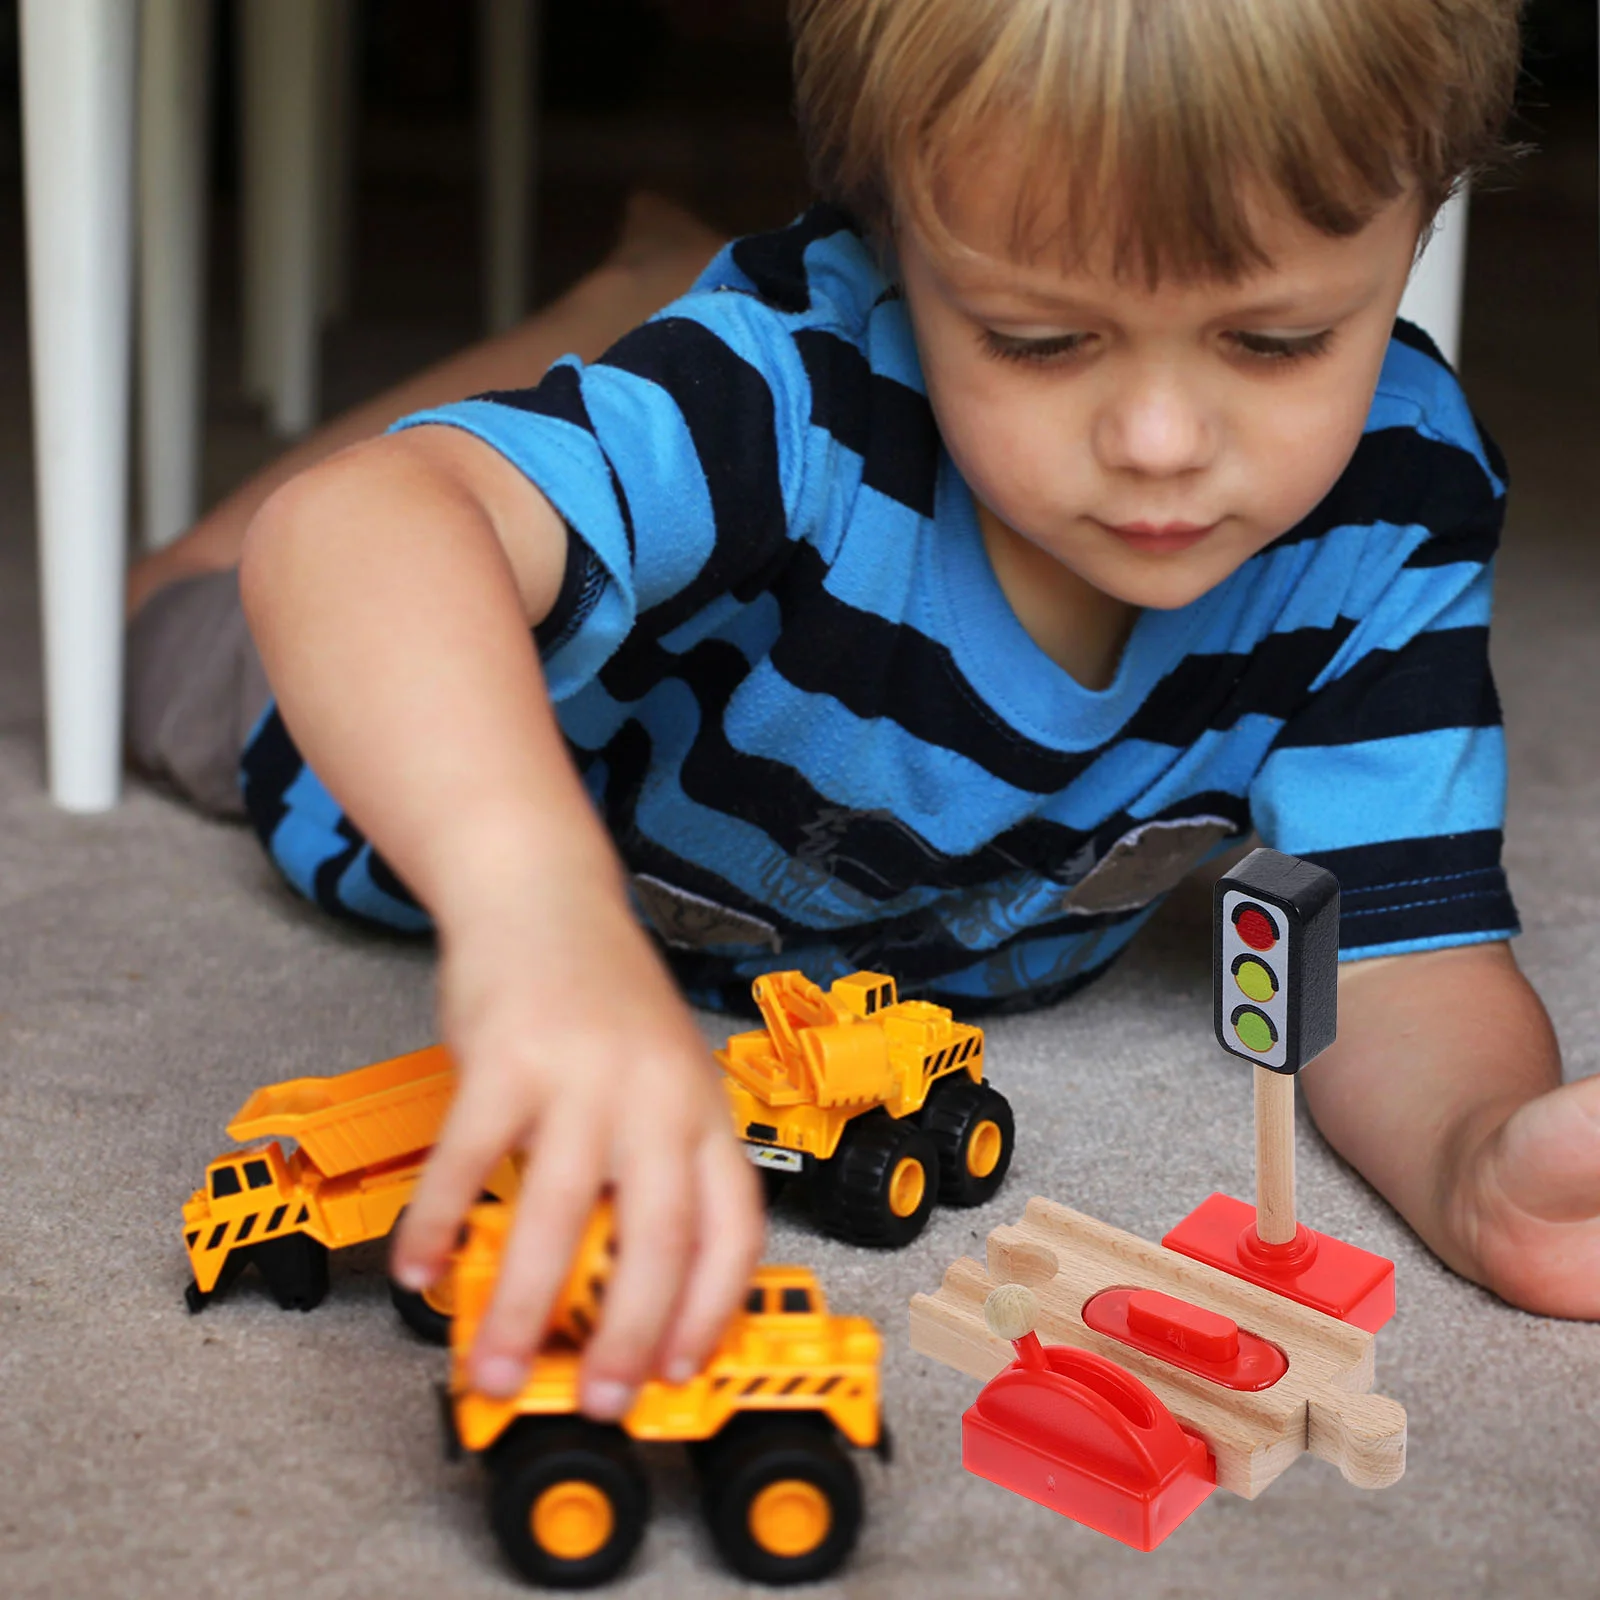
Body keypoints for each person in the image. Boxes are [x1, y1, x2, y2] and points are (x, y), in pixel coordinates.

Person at [128, 0, 1589, 1425]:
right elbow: (355, 533)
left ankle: (619, 339)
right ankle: (605, 337)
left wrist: (1475, 1163)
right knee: (179, 604)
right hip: (390, 736)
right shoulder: (789, 387)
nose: (1162, 444)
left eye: (1274, 341)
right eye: (1037, 339)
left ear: (1422, 216)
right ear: (889, 232)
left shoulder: (1401, 502)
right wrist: (534, 915)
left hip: (844, 978)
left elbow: (1400, 958)